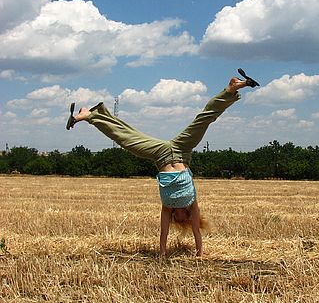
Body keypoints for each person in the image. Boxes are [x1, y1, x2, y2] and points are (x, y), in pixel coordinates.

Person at [66, 71, 260, 257]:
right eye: (186, 221)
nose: (182, 220)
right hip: (182, 150)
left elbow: (163, 233)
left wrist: (162, 253)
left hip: (160, 156)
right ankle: (232, 89)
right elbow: (197, 233)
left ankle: (89, 115)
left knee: (126, 139)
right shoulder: (192, 206)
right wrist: (200, 252)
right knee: (205, 118)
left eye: (180, 221)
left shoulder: (168, 207)